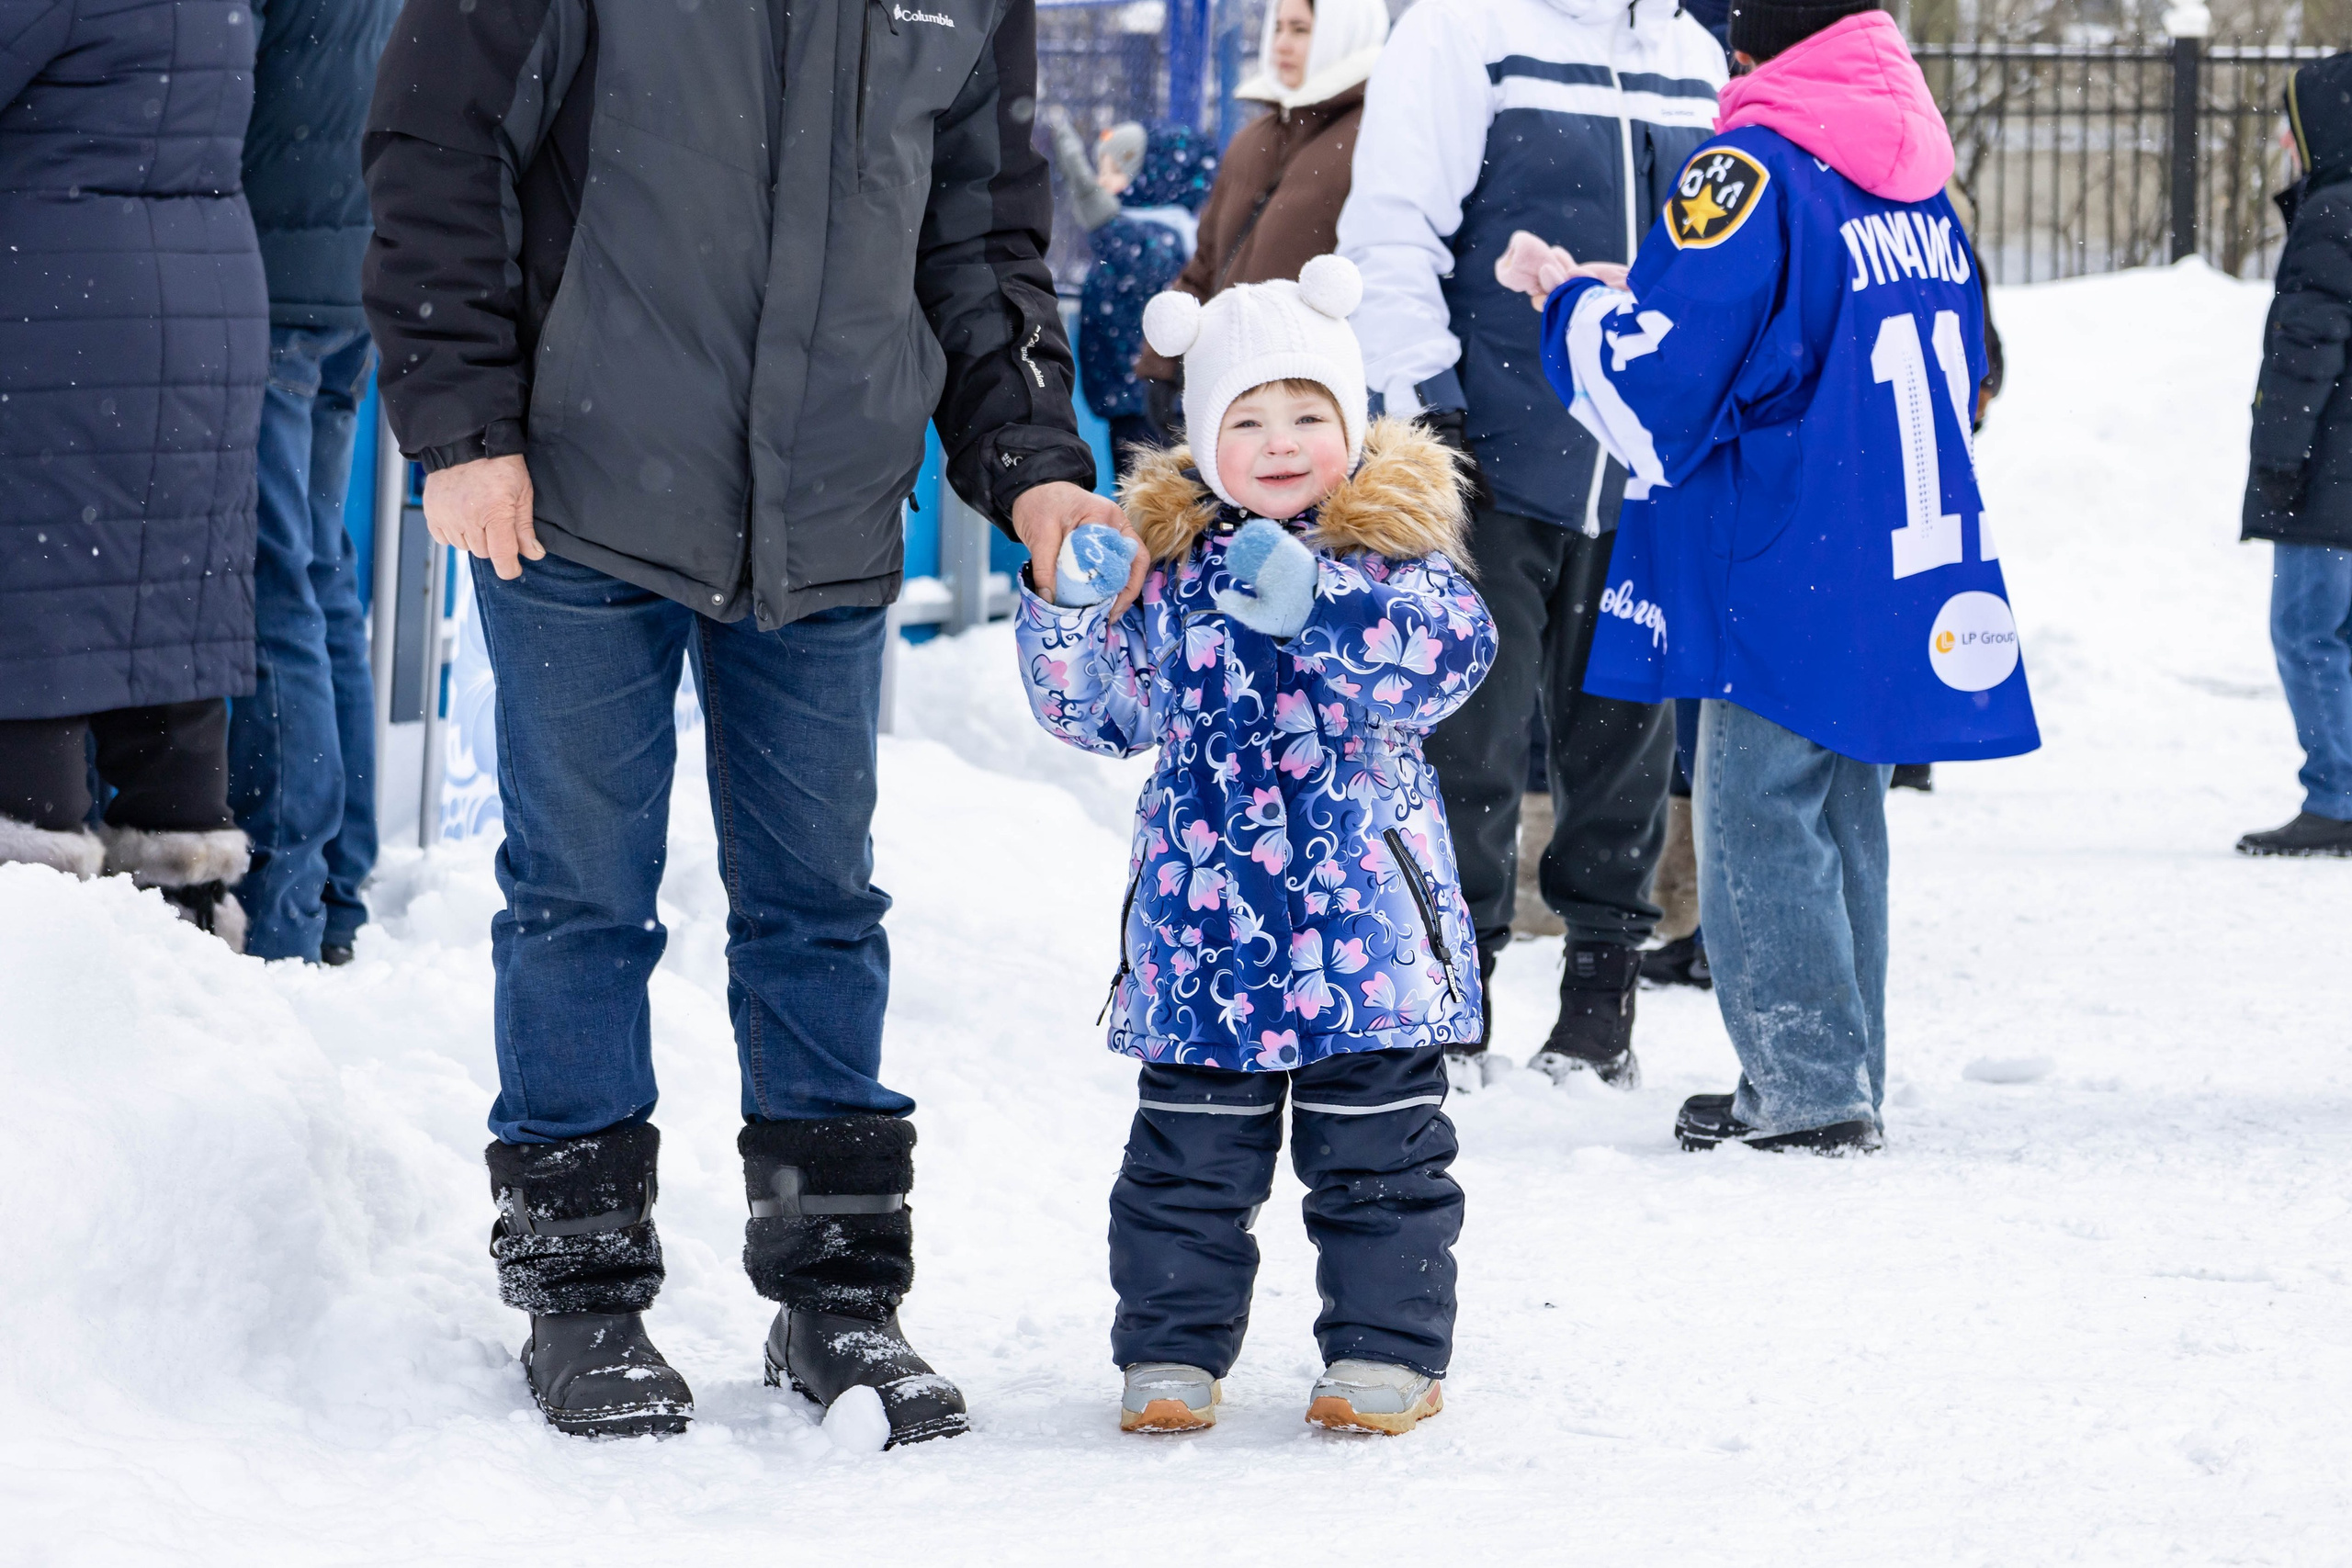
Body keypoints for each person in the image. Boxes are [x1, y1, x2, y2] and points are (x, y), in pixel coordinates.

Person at [362, 0, 1130, 1441]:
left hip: (828, 513)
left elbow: (979, 236)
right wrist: (460, 425)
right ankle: (581, 1291)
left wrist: (1030, 465)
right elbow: (435, 149)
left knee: (818, 905)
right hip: (577, 500)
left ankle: (838, 1295)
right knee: (580, 897)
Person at [1506, 0, 2040, 1153]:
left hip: (1785, 546)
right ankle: (1841, 1070)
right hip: (1892, 547)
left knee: (1754, 810)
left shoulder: (1751, 165)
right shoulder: (1905, 173)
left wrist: (1573, 307)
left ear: (1747, 50)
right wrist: (1648, 286)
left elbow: (1658, 388)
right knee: (1843, 811)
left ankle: (1800, 1092)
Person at [1013, 257, 1492, 1435]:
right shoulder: (1168, 575)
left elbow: (1446, 665)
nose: (1281, 442)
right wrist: (1071, 611)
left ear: (1352, 424)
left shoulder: (1395, 560)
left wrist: (1323, 604)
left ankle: (1385, 1355)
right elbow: (1101, 714)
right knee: (1185, 1164)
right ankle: (1171, 1355)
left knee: (1380, 1161)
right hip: (1204, 934)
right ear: (1203, 441)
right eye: (1249, 419)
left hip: (1366, 935)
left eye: (1308, 415)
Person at [1339, 0, 1726, 1095]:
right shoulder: (1464, 28)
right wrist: (1430, 418)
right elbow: (1393, 229)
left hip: (1644, 461)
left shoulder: (1688, 51)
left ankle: (1602, 995)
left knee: (1627, 735)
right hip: (1495, 453)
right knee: (1471, 734)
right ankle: (1452, 997)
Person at [0, 0, 268, 944]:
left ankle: (36, 940)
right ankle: (185, 917)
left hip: (58, 315)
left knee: (40, 626)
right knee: (166, 627)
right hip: (198, 310)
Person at [227, 0, 400, 964]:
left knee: (276, 582)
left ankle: (282, 904)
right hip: (351, 260)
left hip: (271, 267)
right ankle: (333, 888)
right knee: (321, 575)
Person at [1133, 0, 1390, 434]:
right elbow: (1208, 264)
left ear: (1345, 32)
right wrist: (1161, 363)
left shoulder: (1380, 132)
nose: (1282, 44)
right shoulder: (1252, 139)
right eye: (1277, 28)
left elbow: (1393, 272)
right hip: (1232, 392)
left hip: (1316, 400)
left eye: (1301, 30)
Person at [2237, 51, 2352, 859]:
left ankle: (2335, 797)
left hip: (2331, 473)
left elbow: (2304, 351)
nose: (2284, 137)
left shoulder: (2335, 212)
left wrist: (2277, 463)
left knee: (2308, 631)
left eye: (2291, 121)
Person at [1049, 119, 1218, 475]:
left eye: (1112, 171)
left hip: (1148, 401)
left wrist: (1078, 175)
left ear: (1148, 177)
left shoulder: (1160, 237)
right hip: (1130, 397)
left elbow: (1111, 231)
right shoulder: (1158, 232)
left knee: (1150, 497)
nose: (1102, 181)